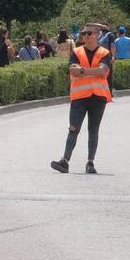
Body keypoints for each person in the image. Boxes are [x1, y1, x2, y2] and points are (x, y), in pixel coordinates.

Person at [51, 23, 112, 175]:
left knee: (93, 129)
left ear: (97, 35)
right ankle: (64, 161)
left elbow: (103, 71)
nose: (85, 36)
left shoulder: (104, 52)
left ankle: (90, 163)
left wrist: (83, 70)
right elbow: (73, 72)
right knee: (73, 129)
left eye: (89, 33)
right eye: (84, 33)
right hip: (79, 97)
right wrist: (93, 71)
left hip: (98, 97)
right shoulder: (76, 52)